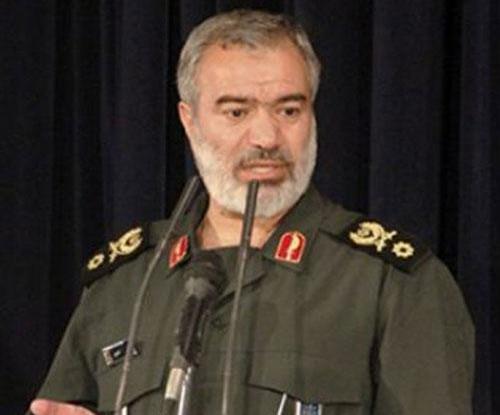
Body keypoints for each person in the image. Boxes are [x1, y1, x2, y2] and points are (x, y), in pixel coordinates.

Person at [29, 9, 474, 415]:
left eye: (289, 110)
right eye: (237, 112)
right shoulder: (123, 284)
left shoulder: (390, 283)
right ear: (189, 120)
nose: (266, 136)